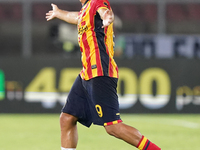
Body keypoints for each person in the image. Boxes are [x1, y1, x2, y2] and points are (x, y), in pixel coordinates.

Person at [46, 0, 161, 150]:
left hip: (100, 71)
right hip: (86, 74)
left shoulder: (97, 2)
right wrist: (59, 13)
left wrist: (107, 17)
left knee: (113, 127)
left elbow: (105, 11)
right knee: (67, 118)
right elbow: (76, 17)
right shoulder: (86, 9)